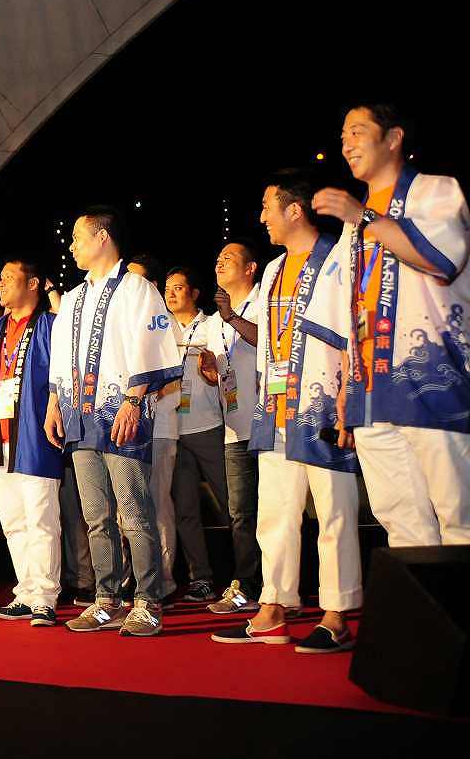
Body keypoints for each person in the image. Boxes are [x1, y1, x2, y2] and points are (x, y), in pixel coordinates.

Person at [212, 169, 362, 653]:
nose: (262, 217)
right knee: (275, 510)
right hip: (275, 407)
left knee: (334, 509)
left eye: (267, 207)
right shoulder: (275, 268)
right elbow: (266, 337)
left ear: (294, 210)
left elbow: (352, 328)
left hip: (323, 403)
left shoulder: (336, 256)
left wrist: (350, 395)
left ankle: (336, 615)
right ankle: (273, 607)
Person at [306, 103, 470, 546]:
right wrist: (346, 384)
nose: (346, 144)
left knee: (459, 516)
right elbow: (353, 306)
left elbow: (442, 259)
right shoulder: (354, 223)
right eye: (343, 136)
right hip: (372, 392)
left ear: (393, 138)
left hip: (433, 380)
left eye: (357, 132)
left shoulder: (434, 191)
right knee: (401, 523)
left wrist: (363, 216)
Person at [46, 206, 181, 637]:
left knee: (134, 512)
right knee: (96, 515)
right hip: (80, 415)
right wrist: (53, 403)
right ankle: (106, 600)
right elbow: (62, 357)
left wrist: (133, 399)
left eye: (77, 237)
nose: (72, 246)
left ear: (102, 237)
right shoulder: (73, 298)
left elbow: (153, 344)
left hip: (121, 412)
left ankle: (148, 601)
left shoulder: (137, 288)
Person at [0, 258, 66, 627]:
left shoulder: (49, 325)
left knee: (41, 519)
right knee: (13, 522)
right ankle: (26, 592)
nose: (0, 284)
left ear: (32, 284)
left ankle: (45, 597)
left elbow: (62, 377)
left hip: (34, 435)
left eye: (8, 278)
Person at [204, 240, 264, 614]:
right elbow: (223, 372)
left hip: (269, 423)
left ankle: (282, 586)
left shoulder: (265, 301)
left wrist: (232, 318)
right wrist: (212, 372)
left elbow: (268, 341)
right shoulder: (215, 321)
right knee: (240, 513)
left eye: (229, 258)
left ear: (250, 268)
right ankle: (247, 585)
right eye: (218, 258)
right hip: (234, 429)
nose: (220, 262)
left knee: (277, 509)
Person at [163, 266, 227, 603]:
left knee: (232, 504)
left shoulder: (212, 325)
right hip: (174, 431)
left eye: (178, 288)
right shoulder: (162, 328)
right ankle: (200, 577)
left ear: (194, 293)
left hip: (210, 426)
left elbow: (224, 370)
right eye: (167, 289)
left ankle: (251, 575)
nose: (171, 294)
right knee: (185, 510)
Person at [125, 255, 175, 601]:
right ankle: (135, 576)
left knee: (156, 505)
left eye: (135, 280)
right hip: (125, 429)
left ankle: (163, 579)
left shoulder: (160, 323)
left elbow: (168, 378)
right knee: (126, 509)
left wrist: (138, 393)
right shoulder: (123, 324)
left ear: (151, 287)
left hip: (159, 428)